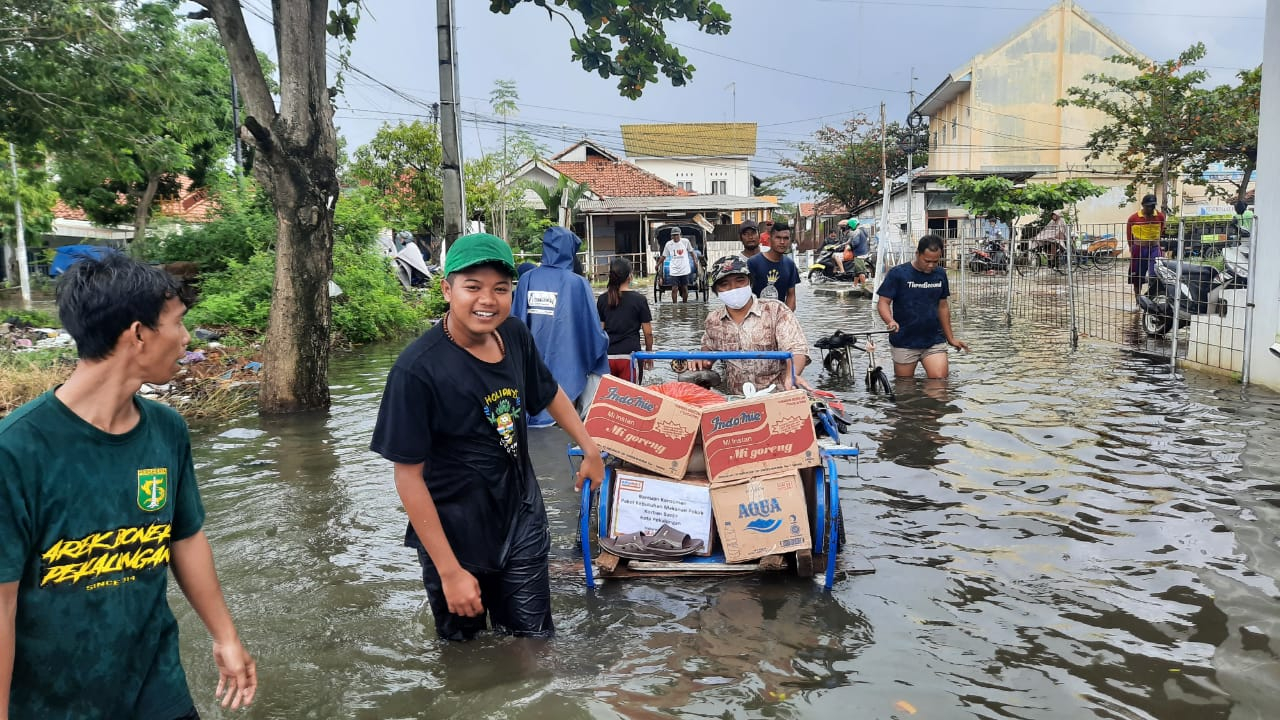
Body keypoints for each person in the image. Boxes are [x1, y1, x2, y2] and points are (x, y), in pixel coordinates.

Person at [0, 253, 256, 718]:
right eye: (178, 324)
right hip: (53, 700)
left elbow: (185, 536)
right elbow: (2, 604)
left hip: (154, 683)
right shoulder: (16, 450)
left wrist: (226, 636)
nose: (185, 340)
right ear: (138, 334)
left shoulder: (166, 429)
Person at [370, 233, 605, 642]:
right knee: (465, 657)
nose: (487, 300)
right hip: (455, 534)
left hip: (521, 516)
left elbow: (548, 392)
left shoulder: (513, 335)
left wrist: (590, 448)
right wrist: (449, 571)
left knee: (534, 643)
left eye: (501, 289)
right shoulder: (417, 370)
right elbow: (407, 476)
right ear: (447, 289)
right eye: (472, 287)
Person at [512, 226, 610, 427]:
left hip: (531, 364)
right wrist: (603, 340)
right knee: (566, 415)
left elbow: (515, 323)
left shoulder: (526, 279)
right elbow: (591, 330)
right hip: (568, 362)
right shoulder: (578, 283)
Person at [692, 255, 813, 394]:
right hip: (737, 402)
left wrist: (792, 376)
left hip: (778, 395)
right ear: (716, 290)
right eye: (724, 284)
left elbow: (796, 350)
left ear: (750, 282)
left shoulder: (775, 310)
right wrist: (698, 360)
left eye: (740, 281)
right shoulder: (713, 320)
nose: (734, 288)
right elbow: (708, 352)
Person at [876, 234, 969, 379]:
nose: (931, 265)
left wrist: (950, 338)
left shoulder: (940, 274)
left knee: (939, 383)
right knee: (905, 388)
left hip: (934, 340)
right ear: (917, 254)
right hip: (904, 340)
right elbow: (883, 302)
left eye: (935, 261)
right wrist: (890, 321)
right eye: (927, 261)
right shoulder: (898, 273)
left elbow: (943, 306)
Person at [596, 257, 654, 383]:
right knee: (631, 398)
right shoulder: (639, 300)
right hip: (630, 357)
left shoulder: (602, 299)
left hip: (607, 358)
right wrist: (649, 354)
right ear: (630, 277)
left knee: (609, 398)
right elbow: (648, 333)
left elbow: (599, 331)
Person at [748, 219, 801, 311]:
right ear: (770, 239)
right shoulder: (753, 263)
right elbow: (745, 295)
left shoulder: (790, 265)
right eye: (778, 238)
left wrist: (787, 318)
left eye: (786, 238)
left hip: (778, 317)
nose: (782, 242)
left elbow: (791, 295)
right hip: (756, 316)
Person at [1126, 193, 1165, 300]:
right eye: (1148, 206)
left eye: (1153, 206)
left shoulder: (1160, 216)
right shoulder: (1133, 218)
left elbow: (1161, 230)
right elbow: (1129, 235)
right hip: (1139, 249)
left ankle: (1152, 298)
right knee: (1137, 275)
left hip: (1154, 248)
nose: (1151, 209)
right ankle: (1138, 299)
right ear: (1143, 205)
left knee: (1156, 274)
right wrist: (1131, 247)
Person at [661, 227, 695, 303]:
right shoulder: (668, 244)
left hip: (684, 269)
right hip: (674, 269)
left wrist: (695, 261)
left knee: (685, 288)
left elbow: (691, 252)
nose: (676, 237)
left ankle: (684, 305)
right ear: (671, 236)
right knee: (674, 289)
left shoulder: (685, 242)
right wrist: (658, 264)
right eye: (674, 235)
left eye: (677, 235)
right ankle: (674, 306)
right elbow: (664, 256)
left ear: (680, 235)